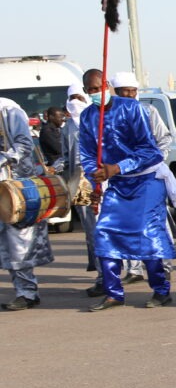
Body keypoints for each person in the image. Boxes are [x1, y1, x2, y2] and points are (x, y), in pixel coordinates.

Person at [79, 71, 176, 311]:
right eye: (90, 90)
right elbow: (88, 154)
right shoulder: (88, 116)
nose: (95, 93)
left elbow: (150, 151)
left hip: (147, 179)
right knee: (104, 233)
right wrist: (96, 176)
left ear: (107, 85)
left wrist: (118, 167)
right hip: (117, 184)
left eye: (98, 88)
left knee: (146, 233)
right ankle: (114, 293)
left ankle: (161, 290)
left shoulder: (133, 108)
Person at [109, 72, 175, 285]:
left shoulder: (148, 111)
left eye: (133, 91)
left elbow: (164, 139)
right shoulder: (108, 116)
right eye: (125, 92)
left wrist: (153, 161)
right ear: (116, 93)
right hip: (122, 178)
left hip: (149, 175)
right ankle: (134, 268)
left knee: (155, 223)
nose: (130, 95)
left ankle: (164, 267)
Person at [0, 97, 54, 311]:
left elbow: (24, 144)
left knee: (18, 243)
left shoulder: (9, 111)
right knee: (5, 246)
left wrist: (4, 158)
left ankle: (27, 293)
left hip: (15, 188)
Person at [60, 76, 103, 296]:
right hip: (80, 185)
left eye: (79, 97)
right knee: (91, 230)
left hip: (101, 180)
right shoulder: (67, 127)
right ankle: (102, 275)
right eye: (71, 99)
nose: (75, 102)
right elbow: (66, 158)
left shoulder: (97, 120)